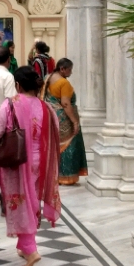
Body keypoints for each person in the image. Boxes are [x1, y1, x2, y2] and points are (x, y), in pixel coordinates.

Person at [0, 67, 61, 266]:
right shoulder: (47, 108)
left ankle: (31, 249)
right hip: (40, 162)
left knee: (20, 203)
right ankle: (23, 244)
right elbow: (55, 134)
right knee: (31, 200)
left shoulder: (10, 104)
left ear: (18, 85)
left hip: (17, 162)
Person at [46, 57, 89, 186]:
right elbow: (65, 103)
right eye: (70, 69)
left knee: (55, 147)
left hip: (52, 117)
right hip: (64, 119)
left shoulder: (49, 77)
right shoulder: (64, 83)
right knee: (69, 147)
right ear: (62, 69)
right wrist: (75, 122)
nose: (71, 72)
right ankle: (66, 177)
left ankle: (54, 175)